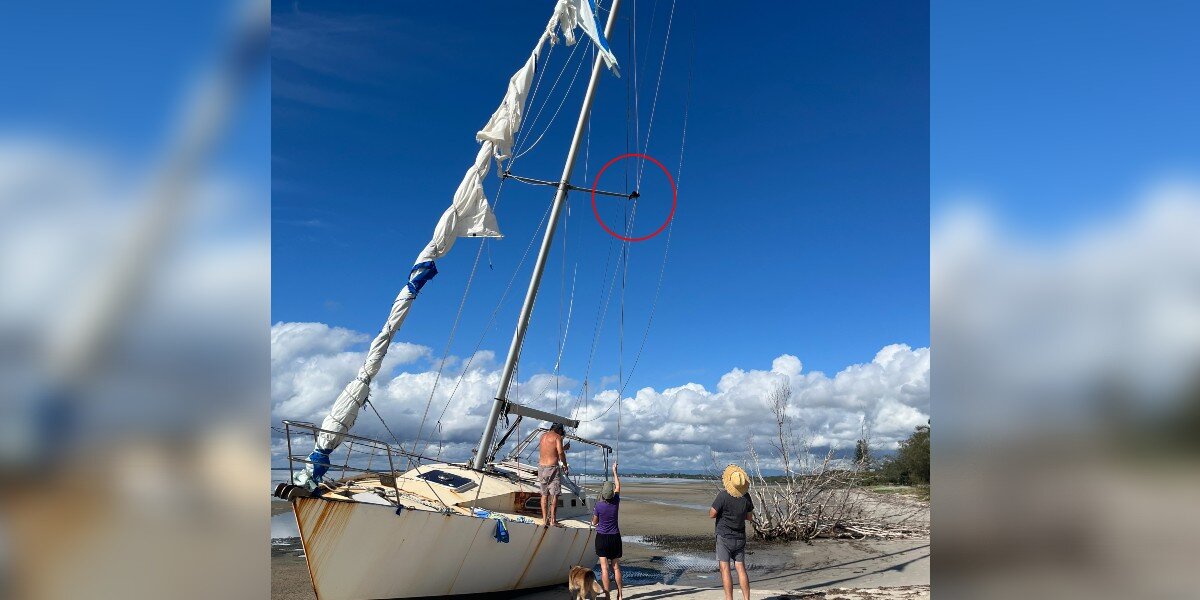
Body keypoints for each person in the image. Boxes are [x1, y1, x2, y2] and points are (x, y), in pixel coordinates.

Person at [710, 464, 754, 600]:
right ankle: (746, 598)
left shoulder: (723, 496)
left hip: (724, 537)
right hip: (740, 536)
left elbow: (712, 514)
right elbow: (749, 517)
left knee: (725, 569)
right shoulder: (746, 497)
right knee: (741, 568)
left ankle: (729, 599)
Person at [592, 462, 623, 600]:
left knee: (604, 568)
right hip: (615, 537)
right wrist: (614, 471)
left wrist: (595, 520)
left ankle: (607, 596)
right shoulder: (616, 501)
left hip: (602, 538)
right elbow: (618, 486)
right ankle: (620, 595)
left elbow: (594, 522)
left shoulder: (599, 505)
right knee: (615, 567)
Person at [538, 422, 569, 527]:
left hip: (541, 468)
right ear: (559, 430)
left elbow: (549, 450)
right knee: (554, 494)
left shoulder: (542, 436)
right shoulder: (557, 437)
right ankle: (552, 521)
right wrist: (565, 465)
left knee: (544, 494)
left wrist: (564, 447)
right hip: (552, 468)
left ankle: (544, 520)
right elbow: (560, 453)